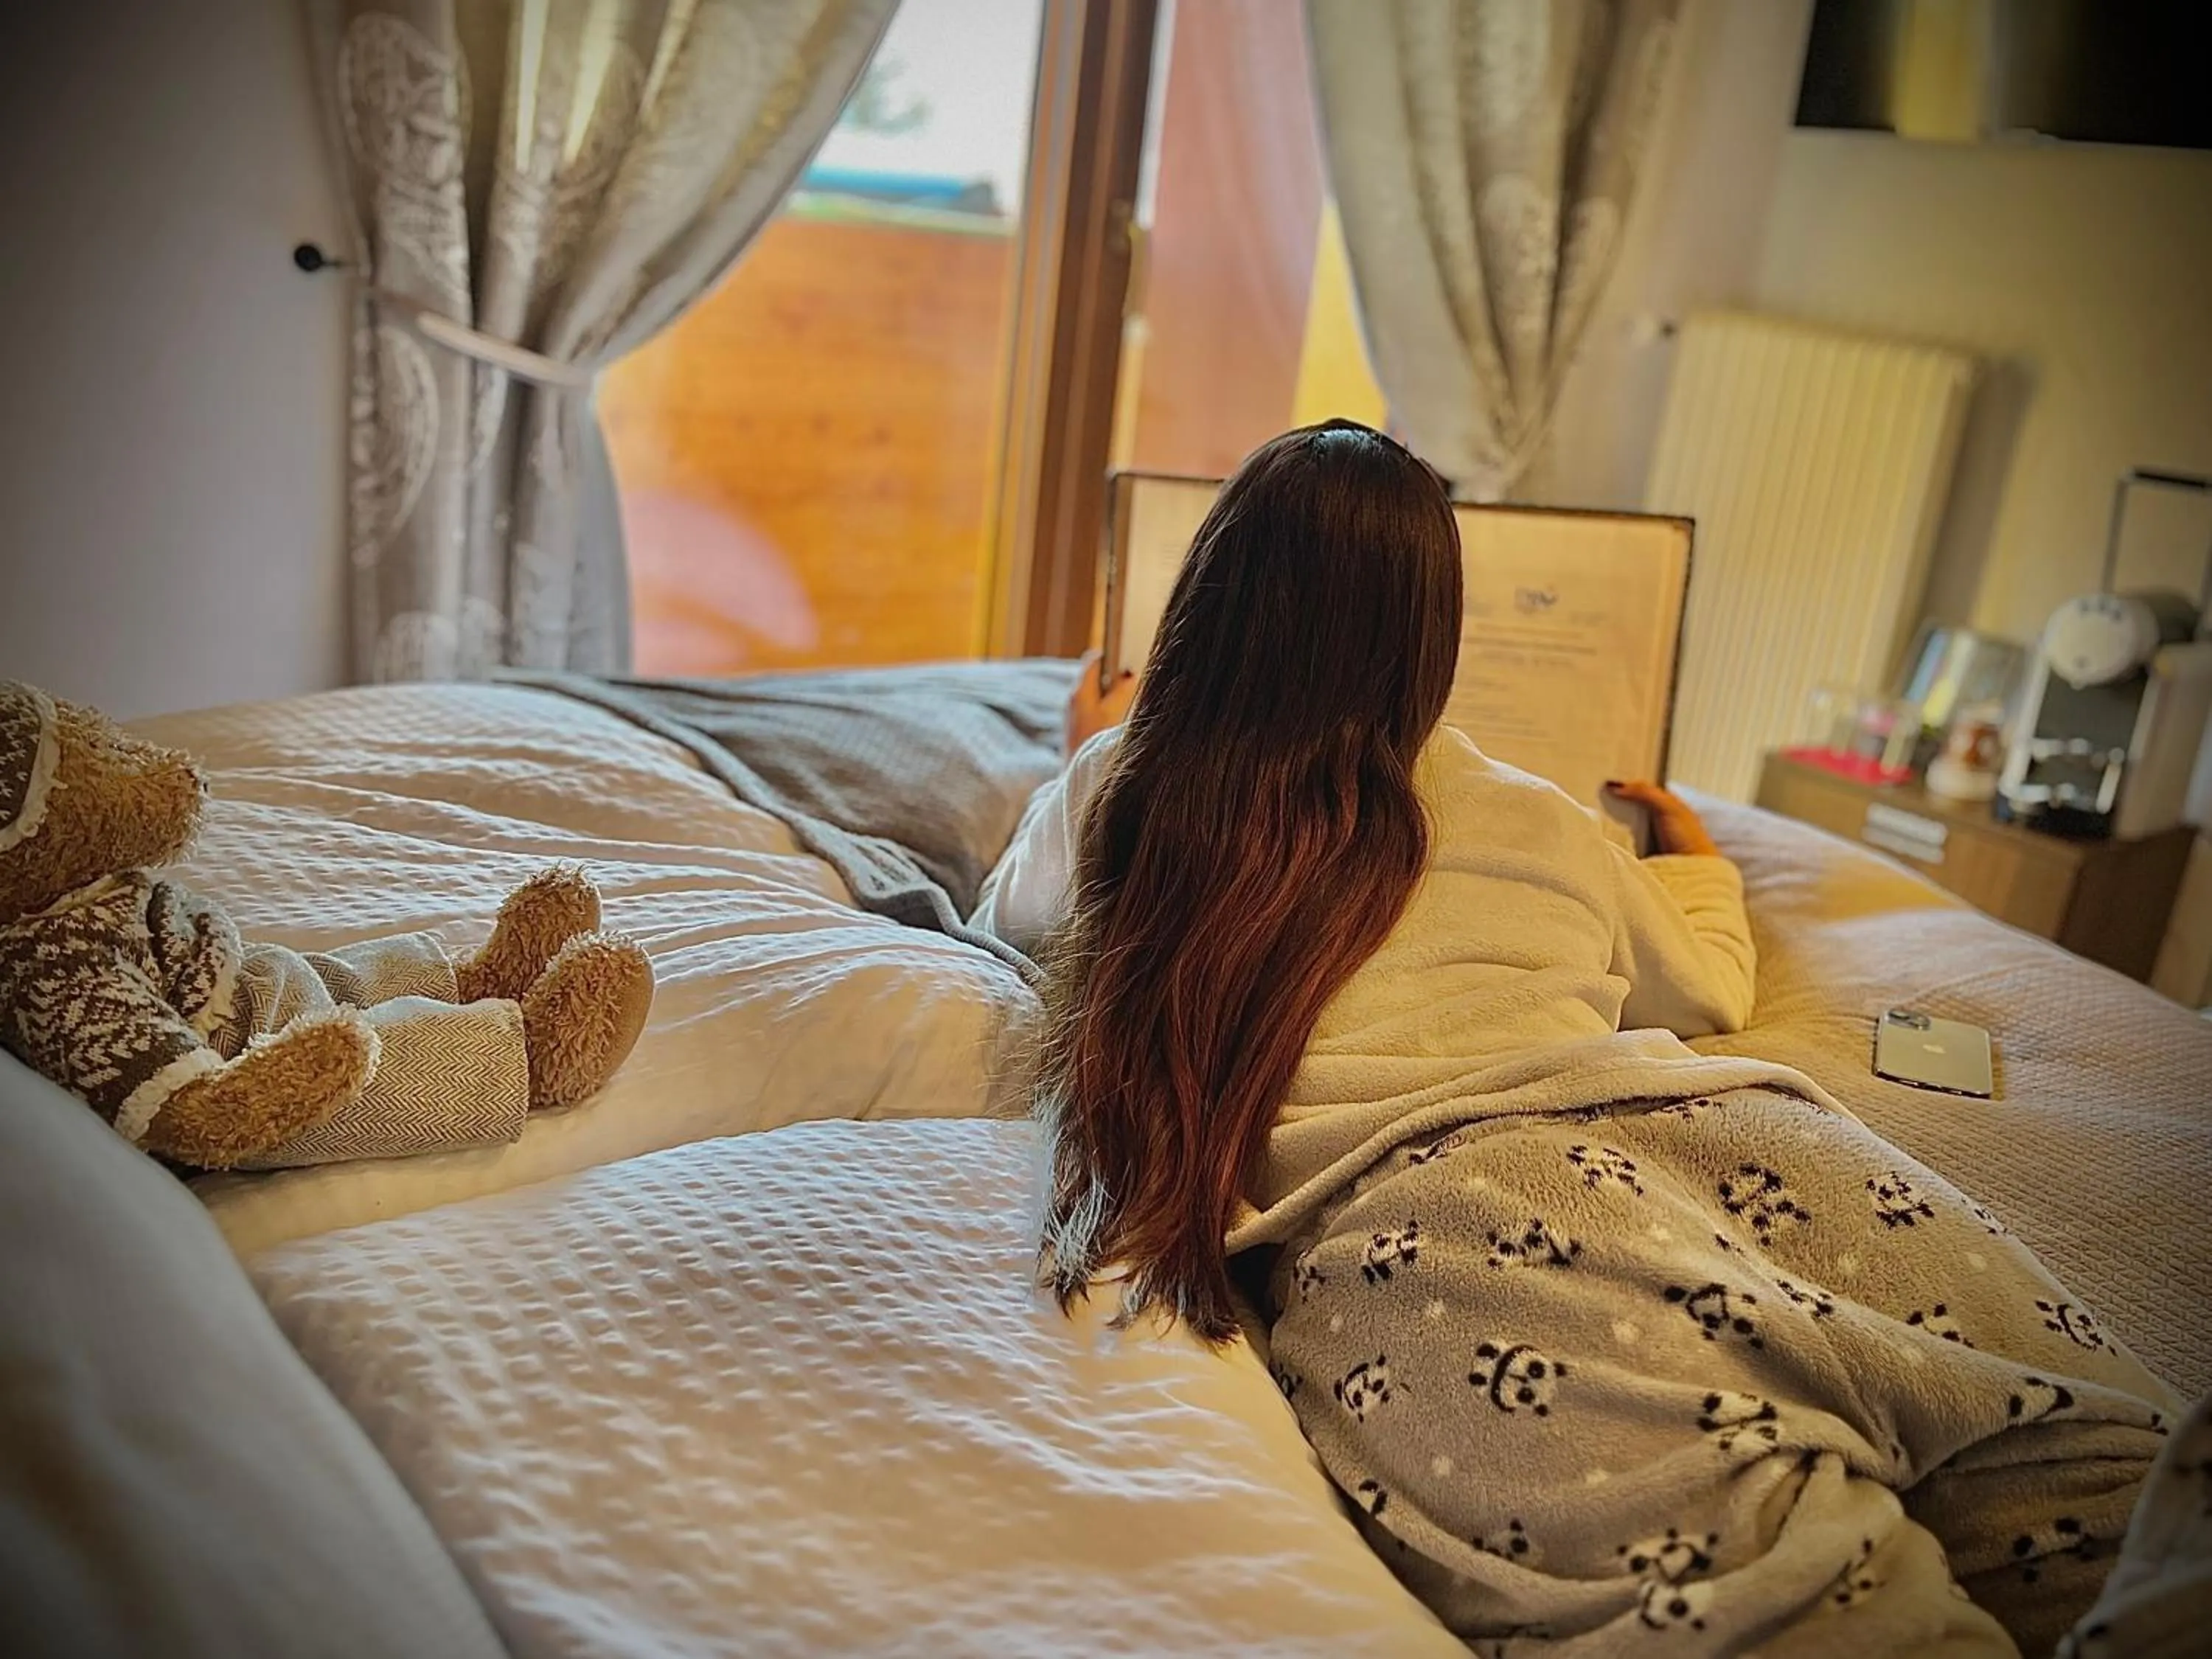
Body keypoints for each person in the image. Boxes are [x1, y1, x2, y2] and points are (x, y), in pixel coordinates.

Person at [972, 421, 2179, 1657]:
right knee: (2115, 1483)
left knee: (1817, 1617)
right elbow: (1707, 992)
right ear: (1431, 644)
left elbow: (999, 925)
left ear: (1203, 605)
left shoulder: (1123, 786)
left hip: (1459, 1228)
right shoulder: (1539, 817)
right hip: (1733, 1137)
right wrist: (1702, 869)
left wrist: (1085, 736)